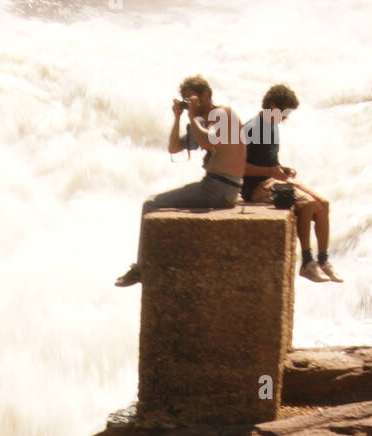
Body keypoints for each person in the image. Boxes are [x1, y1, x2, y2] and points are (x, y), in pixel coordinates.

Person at [115, 75, 246, 288]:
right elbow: (174, 148)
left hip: (218, 187)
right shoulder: (204, 122)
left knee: (150, 204)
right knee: (155, 203)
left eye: (191, 98)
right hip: (221, 188)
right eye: (185, 100)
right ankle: (150, 264)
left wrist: (193, 116)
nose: (188, 104)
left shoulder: (224, 113)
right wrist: (178, 118)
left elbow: (208, 140)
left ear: (205, 95)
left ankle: (141, 269)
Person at [242, 84, 342, 282]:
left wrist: (282, 168)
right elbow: (238, 167)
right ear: (272, 106)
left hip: (272, 179)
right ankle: (307, 262)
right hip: (255, 187)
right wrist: (270, 171)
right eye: (285, 112)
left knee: (323, 204)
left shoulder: (272, 127)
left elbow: (269, 161)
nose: (286, 118)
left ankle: (323, 260)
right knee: (305, 204)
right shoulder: (252, 128)